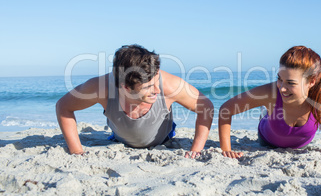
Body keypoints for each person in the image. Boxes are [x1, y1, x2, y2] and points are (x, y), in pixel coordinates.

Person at [218, 46, 321, 163]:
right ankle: (265, 112)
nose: (282, 87)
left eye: (290, 82)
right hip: (267, 139)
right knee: (269, 110)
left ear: (311, 81)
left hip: (299, 145)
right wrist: (227, 149)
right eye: (279, 78)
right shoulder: (271, 91)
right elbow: (226, 109)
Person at [56, 44, 214, 158]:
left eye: (156, 82)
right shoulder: (101, 88)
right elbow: (63, 107)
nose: (158, 91)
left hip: (163, 138)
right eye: (150, 87)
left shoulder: (169, 85)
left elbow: (206, 107)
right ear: (125, 87)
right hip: (119, 137)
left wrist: (196, 150)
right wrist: (76, 150)